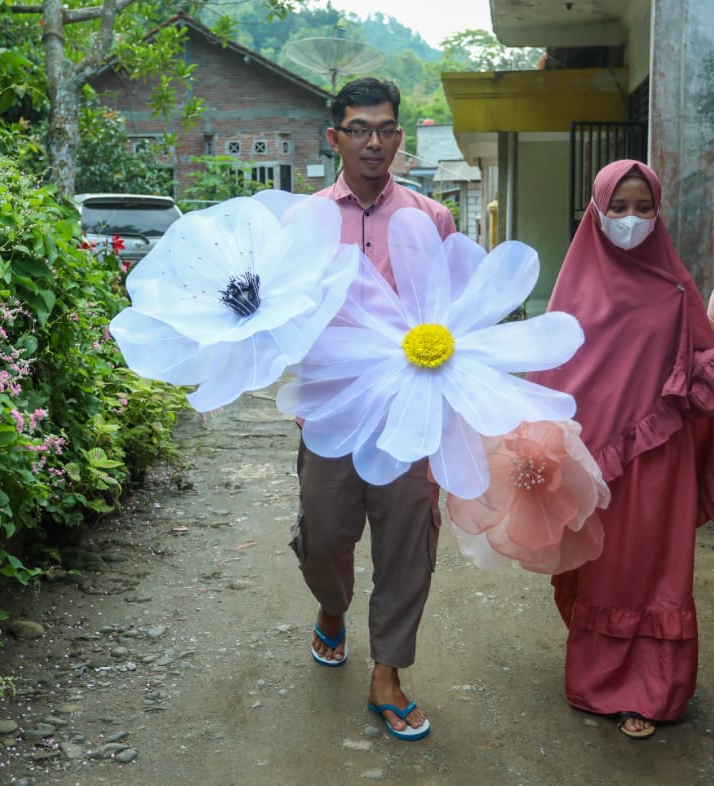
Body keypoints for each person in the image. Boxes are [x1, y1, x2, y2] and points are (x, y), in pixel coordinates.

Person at [526, 160, 714, 740]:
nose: (630, 219)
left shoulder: (676, 287)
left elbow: (703, 363)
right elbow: (556, 376)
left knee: (656, 572)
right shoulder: (574, 290)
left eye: (642, 208)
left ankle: (653, 689)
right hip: (596, 462)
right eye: (618, 207)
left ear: (658, 212)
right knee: (603, 571)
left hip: (661, 457)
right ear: (596, 210)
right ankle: (599, 682)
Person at [290, 77, 456, 741]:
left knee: (406, 544)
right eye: (359, 129)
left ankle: (387, 672)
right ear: (334, 138)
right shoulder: (304, 222)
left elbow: (450, 313)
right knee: (326, 537)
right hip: (329, 412)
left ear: (399, 138)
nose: (374, 142)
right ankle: (332, 607)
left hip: (408, 415)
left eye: (386, 129)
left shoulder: (429, 218)